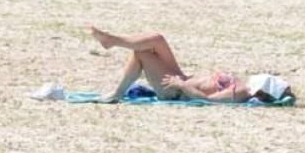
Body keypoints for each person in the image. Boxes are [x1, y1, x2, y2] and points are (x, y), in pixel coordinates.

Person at [88, 27, 288, 103]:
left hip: (175, 90)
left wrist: (182, 85)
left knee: (142, 53)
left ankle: (116, 93)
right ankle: (112, 40)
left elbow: (208, 101)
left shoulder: (242, 92)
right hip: (182, 79)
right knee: (157, 39)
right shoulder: (241, 84)